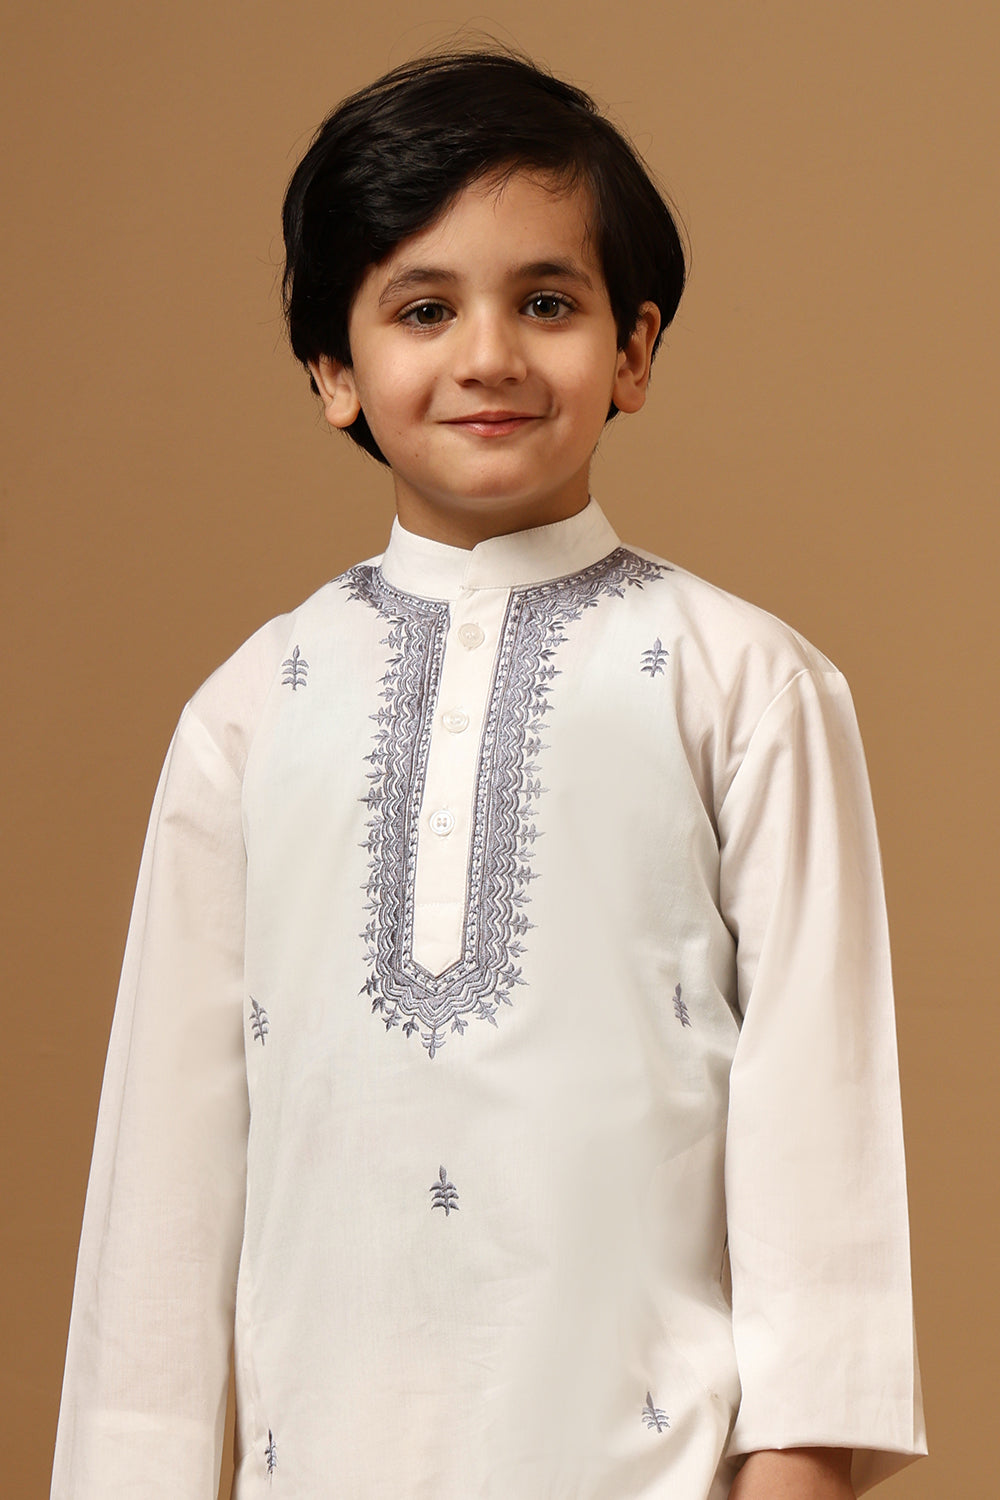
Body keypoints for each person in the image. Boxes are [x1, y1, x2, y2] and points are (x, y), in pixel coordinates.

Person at [51, 49, 926, 1500]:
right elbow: (164, 1168)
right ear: (334, 370)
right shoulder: (248, 714)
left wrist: (804, 1462)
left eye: (547, 303)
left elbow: (817, 1105)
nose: (489, 357)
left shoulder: (747, 685)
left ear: (634, 349)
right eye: (422, 309)